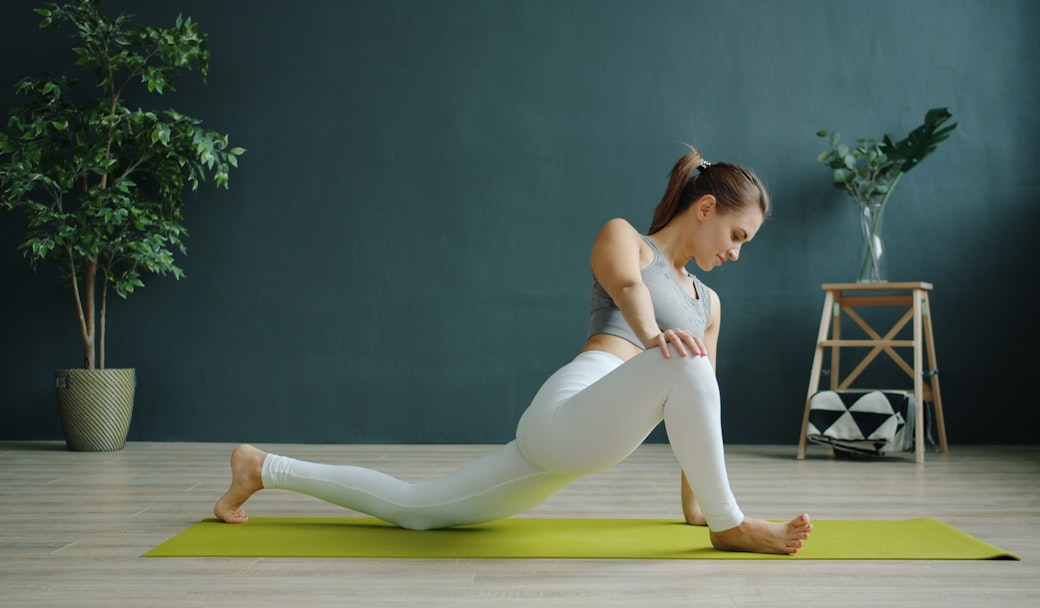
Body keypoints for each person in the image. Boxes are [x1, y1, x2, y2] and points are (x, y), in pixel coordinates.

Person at [214, 146, 813, 554]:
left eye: (746, 244)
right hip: (568, 410)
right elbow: (629, 288)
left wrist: (696, 508)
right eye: (737, 235)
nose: (736, 253)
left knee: (417, 509)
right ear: (705, 208)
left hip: (591, 441)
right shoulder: (625, 238)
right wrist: (655, 339)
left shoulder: (709, 305)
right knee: (684, 361)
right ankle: (734, 526)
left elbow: (701, 402)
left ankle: (262, 468)